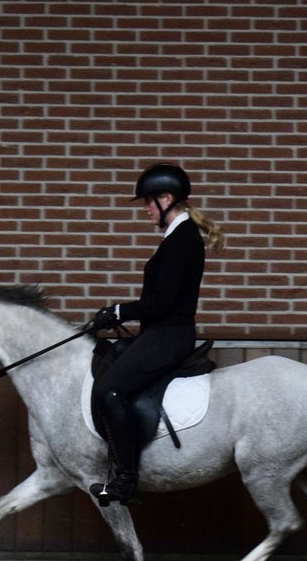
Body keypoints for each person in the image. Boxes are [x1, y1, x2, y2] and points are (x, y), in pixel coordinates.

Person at [88, 163, 225, 505]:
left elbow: (160, 302)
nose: (146, 210)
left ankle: (127, 479)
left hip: (169, 335)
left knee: (109, 389)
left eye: (149, 202)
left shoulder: (181, 241)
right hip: (162, 333)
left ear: (167, 199)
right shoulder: (177, 237)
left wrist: (118, 311)